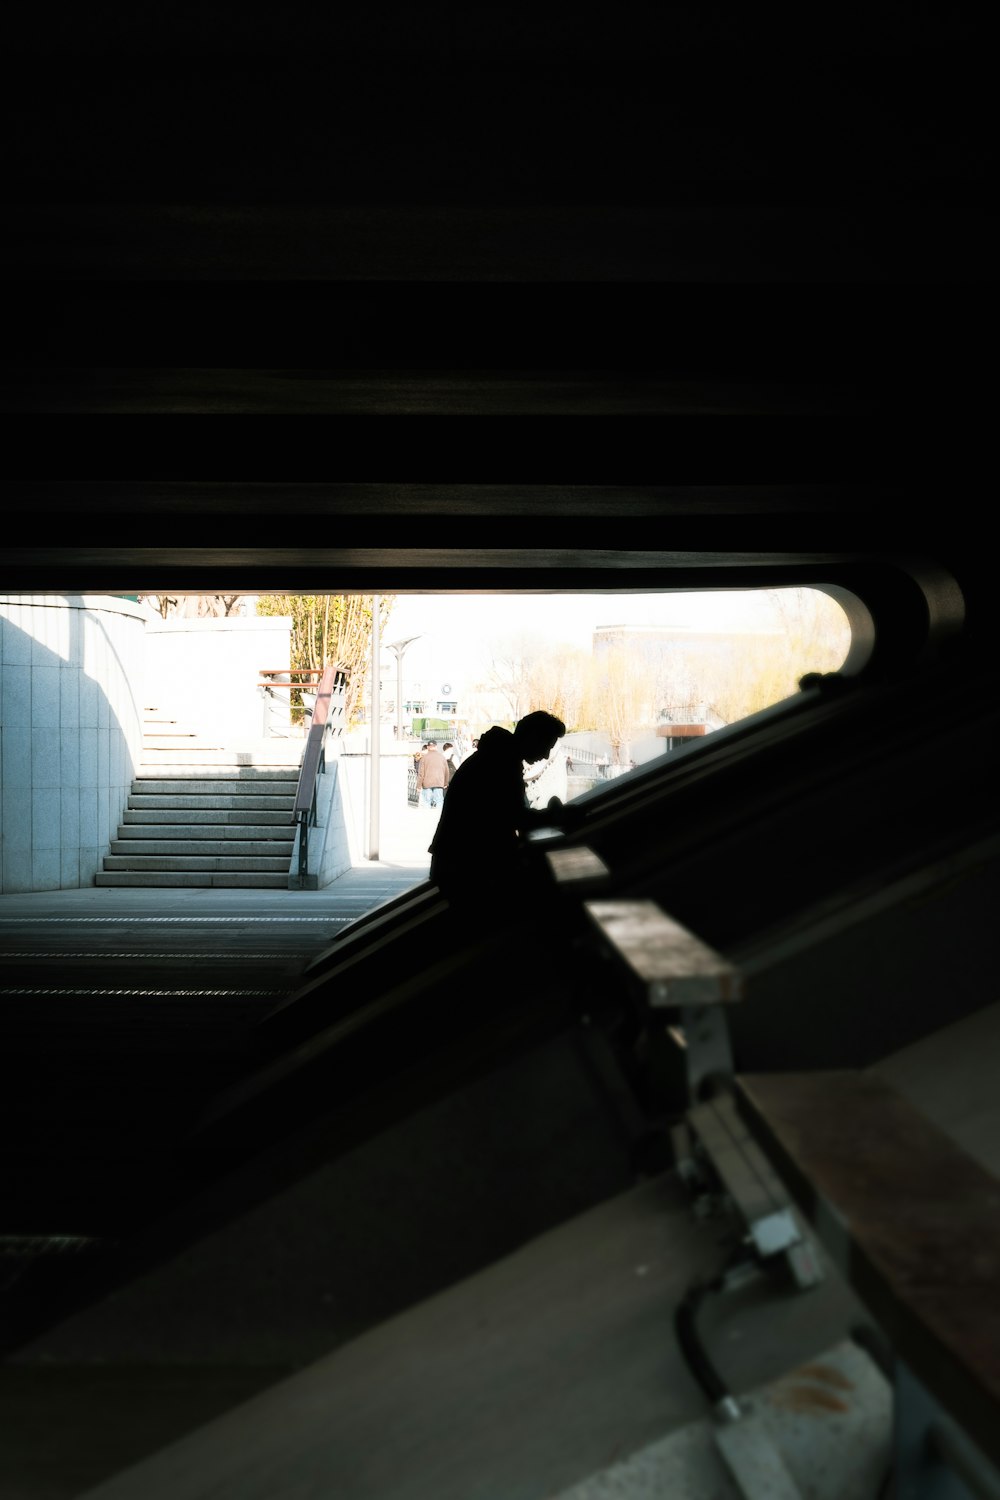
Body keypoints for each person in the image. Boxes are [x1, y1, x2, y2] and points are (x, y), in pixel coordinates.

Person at [429, 710, 580, 916]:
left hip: (457, 862)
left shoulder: (495, 756)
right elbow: (515, 817)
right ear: (533, 737)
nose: (545, 755)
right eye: (546, 746)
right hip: (467, 868)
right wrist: (554, 817)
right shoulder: (502, 764)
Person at [415, 740, 449, 811]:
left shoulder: (424, 758)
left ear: (427, 747)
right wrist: (445, 783)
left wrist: (418, 786)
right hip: (439, 782)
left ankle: (427, 818)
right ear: (436, 747)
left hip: (427, 783)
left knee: (426, 802)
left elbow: (421, 773)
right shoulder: (442, 757)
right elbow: (446, 771)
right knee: (439, 801)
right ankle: (438, 818)